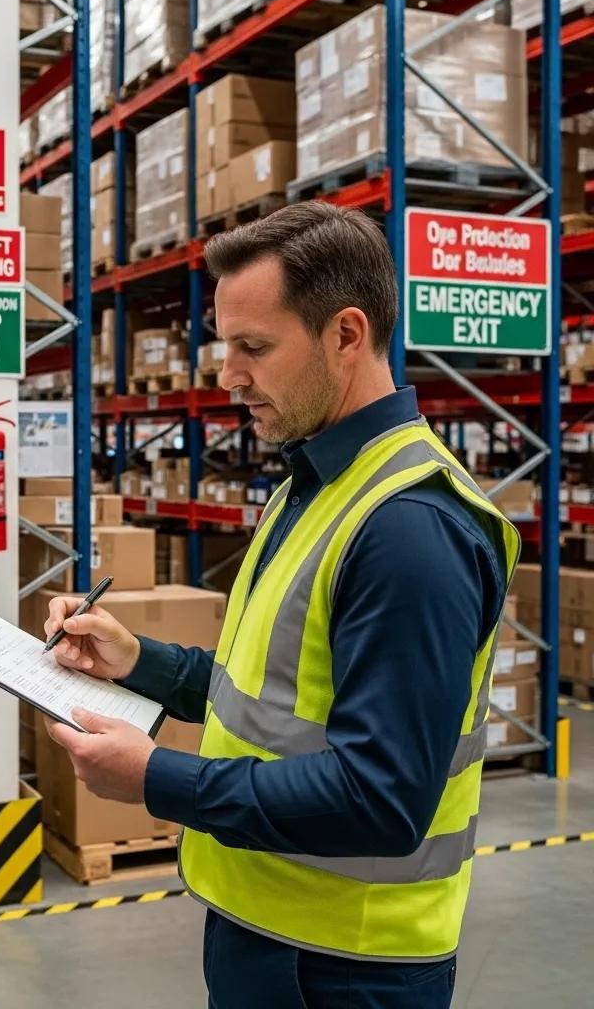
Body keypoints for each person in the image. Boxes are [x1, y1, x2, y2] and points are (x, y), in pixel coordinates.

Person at [42, 202, 519, 1009]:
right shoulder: (313, 483)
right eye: (225, 346)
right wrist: (136, 661)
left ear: (345, 335)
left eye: (253, 348)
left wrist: (158, 778)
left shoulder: (408, 529)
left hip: (344, 964)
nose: (227, 375)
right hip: (267, 928)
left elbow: (382, 799)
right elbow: (266, 696)